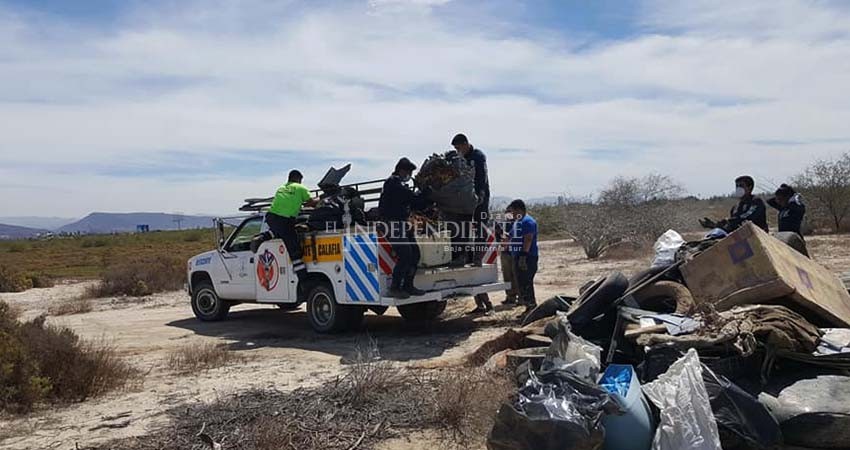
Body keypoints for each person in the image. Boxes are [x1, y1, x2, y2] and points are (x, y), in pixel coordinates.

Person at [452, 133, 494, 315]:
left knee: (480, 227)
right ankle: (462, 255)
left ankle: (477, 256)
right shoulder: (459, 158)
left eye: (459, 147)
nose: (457, 151)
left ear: (465, 144)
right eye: (455, 149)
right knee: (463, 227)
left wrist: (481, 195)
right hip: (465, 199)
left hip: (480, 198)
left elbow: (481, 177)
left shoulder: (477, 156)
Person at [251, 170, 319, 280]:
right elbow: (310, 203)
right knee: (294, 251)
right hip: (285, 220)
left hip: (271, 217)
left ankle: (263, 237)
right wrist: (321, 199)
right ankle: (304, 280)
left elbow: (287, 202)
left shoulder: (281, 188)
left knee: (280, 232)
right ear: (298, 179)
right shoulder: (300, 188)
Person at [379, 157, 430, 299]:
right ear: (401, 170)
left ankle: (408, 285)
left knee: (415, 253)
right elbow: (413, 199)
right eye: (408, 172)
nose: (409, 176)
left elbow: (414, 203)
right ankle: (395, 287)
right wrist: (425, 192)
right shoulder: (393, 183)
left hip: (401, 223)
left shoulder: (398, 184)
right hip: (392, 223)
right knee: (406, 254)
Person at [700, 175, 768, 233]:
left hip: (757, 236)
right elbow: (731, 228)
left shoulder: (756, 202)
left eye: (741, 186)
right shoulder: (735, 207)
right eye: (737, 186)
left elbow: (747, 219)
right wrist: (714, 225)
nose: (738, 188)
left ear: (749, 187)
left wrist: (727, 221)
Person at [507, 199, 538, 315]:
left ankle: (532, 308)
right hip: (517, 256)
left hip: (527, 257)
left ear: (519, 210)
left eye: (513, 212)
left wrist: (523, 256)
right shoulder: (517, 222)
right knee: (521, 283)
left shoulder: (527, 222)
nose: (512, 215)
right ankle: (528, 308)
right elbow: (510, 236)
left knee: (526, 283)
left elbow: (528, 238)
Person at [497, 207, 519, 306]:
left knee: (516, 275)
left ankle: (521, 297)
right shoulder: (503, 224)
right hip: (505, 253)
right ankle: (510, 297)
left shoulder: (518, 224)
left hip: (515, 253)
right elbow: (500, 238)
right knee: (507, 276)